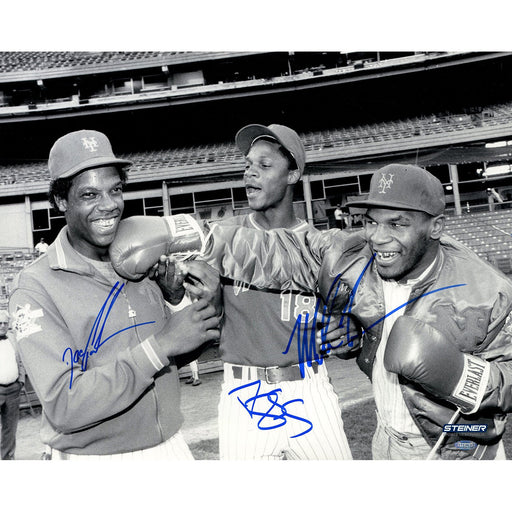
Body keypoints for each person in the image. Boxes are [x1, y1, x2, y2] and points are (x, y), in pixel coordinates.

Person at [9, 129, 221, 460]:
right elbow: (65, 405)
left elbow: (180, 355)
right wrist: (160, 345)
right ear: (61, 200)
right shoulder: (36, 286)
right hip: (96, 463)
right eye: (90, 195)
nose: (109, 206)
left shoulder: (143, 258)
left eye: (116, 190)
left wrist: (175, 301)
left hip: (170, 450)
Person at [0, 310, 25, 460]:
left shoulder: (13, 339)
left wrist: (21, 380)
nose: (2, 326)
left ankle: (7, 459)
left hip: (13, 391)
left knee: (10, 428)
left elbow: (20, 360)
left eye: (5, 323)